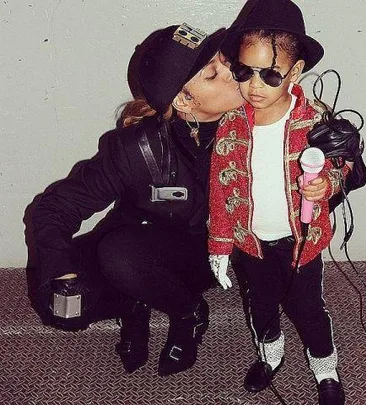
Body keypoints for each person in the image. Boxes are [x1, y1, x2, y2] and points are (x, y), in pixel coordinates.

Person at [30, 22, 244, 377]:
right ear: (183, 99)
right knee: (61, 304)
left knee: (120, 255)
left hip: (202, 254)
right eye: (213, 73)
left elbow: (323, 181)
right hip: (134, 244)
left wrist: (342, 163)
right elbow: (56, 207)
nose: (232, 72)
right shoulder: (134, 149)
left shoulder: (261, 124)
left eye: (222, 60)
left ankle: (186, 312)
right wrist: (60, 270)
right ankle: (135, 299)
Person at [207, 1, 366, 404]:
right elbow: (220, 189)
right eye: (244, 72)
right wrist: (220, 246)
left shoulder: (315, 120)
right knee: (259, 307)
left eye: (270, 74)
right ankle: (270, 354)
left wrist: (327, 184)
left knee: (308, 310)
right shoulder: (231, 124)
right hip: (252, 242)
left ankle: (325, 366)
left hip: (302, 242)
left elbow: (343, 168)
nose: (254, 86)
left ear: (294, 72)